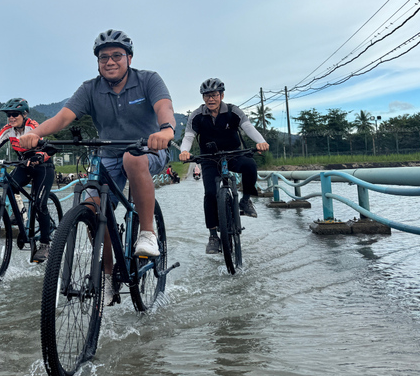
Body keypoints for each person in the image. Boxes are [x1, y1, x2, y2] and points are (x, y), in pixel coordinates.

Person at [19, 29, 175, 306]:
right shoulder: (90, 88)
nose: (110, 61)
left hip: (148, 150)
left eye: (117, 55)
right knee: (92, 208)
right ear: (98, 61)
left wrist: (166, 129)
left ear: (129, 57)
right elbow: (62, 117)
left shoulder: (148, 80)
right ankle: (106, 278)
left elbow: (164, 108)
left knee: (131, 158)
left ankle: (148, 233)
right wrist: (37, 134)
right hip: (107, 157)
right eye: (104, 57)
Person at [178, 78, 269, 254]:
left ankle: (245, 200)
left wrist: (261, 142)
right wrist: (184, 151)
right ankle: (213, 236)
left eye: (214, 95)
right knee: (210, 193)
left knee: (250, 165)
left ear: (221, 95)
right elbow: (189, 136)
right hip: (209, 158)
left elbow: (248, 127)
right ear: (203, 98)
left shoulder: (233, 111)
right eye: (207, 96)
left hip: (234, 154)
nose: (210, 99)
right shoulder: (197, 115)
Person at [0, 98, 56, 263]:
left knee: (39, 203)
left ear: (24, 114)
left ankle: (45, 244)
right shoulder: (8, 130)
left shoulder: (33, 126)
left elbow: (49, 148)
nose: (11, 118)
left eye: (15, 114)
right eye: (9, 115)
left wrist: (39, 156)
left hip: (43, 166)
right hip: (24, 164)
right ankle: (20, 213)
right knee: (10, 185)